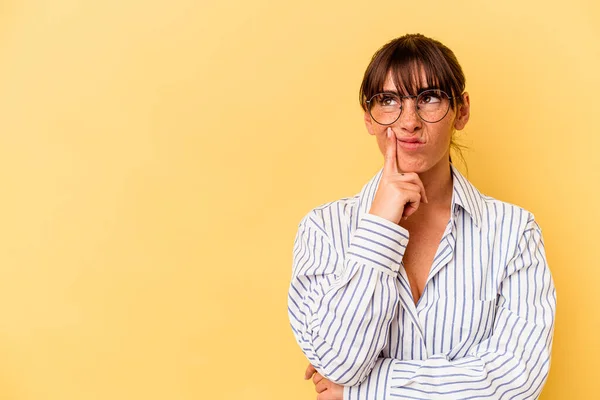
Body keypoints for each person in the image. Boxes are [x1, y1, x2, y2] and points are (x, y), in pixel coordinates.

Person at [287, 33, 556, 400]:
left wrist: (365, 390)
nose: (408, 121)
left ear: (461, 110)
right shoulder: (324, 230)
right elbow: (339, 364)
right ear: (369, 117)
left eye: (428, 98)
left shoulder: (513, 232)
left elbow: (518, 380)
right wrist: (380, 225)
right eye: (388, 100)